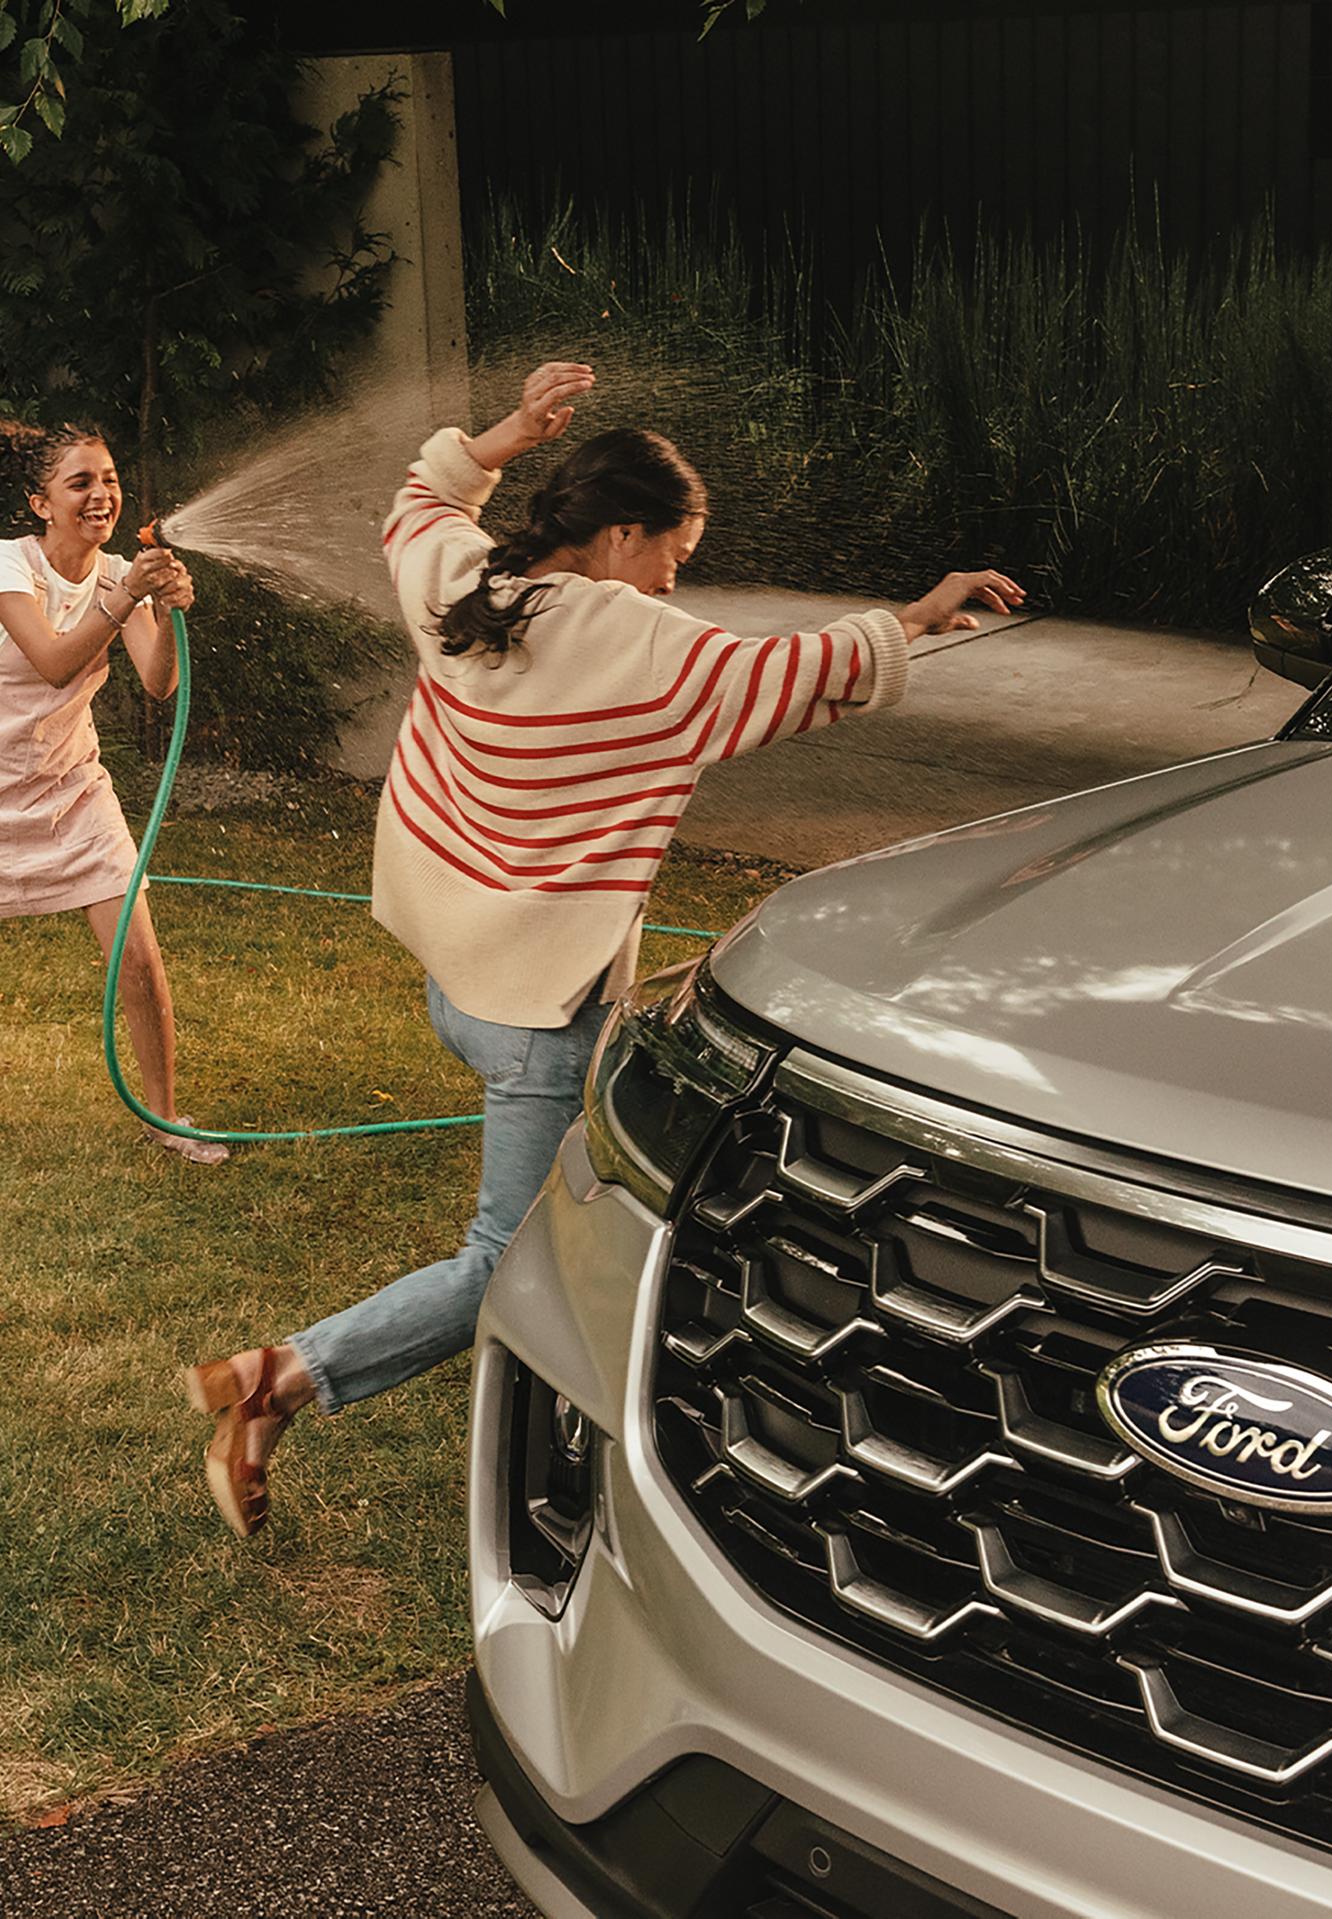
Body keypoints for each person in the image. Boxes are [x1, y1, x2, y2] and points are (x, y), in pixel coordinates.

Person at [186, 360, 1025, 1536]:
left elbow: (419, 501)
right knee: (505, 1258)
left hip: (461, 978)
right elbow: (789, 673)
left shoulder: (470, 585)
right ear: (623, 534)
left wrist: (509, 433)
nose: (681, 578)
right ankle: (275, 1378)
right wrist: (921, 617)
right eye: (675, 554)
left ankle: (622, 1421)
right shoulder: (639, 642)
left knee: (628, 1197)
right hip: (536, 1014)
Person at [0, 421, 229, 1165]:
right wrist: (128, 591)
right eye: (80, 482)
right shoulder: (9, 566)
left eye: (109, 480)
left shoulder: (116, 574)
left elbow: (158, 681)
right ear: (40, 502)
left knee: (137, 953)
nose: (101, 495)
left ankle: (164, 1117)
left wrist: (162, 609)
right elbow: (54, 662)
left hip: (70, 788)